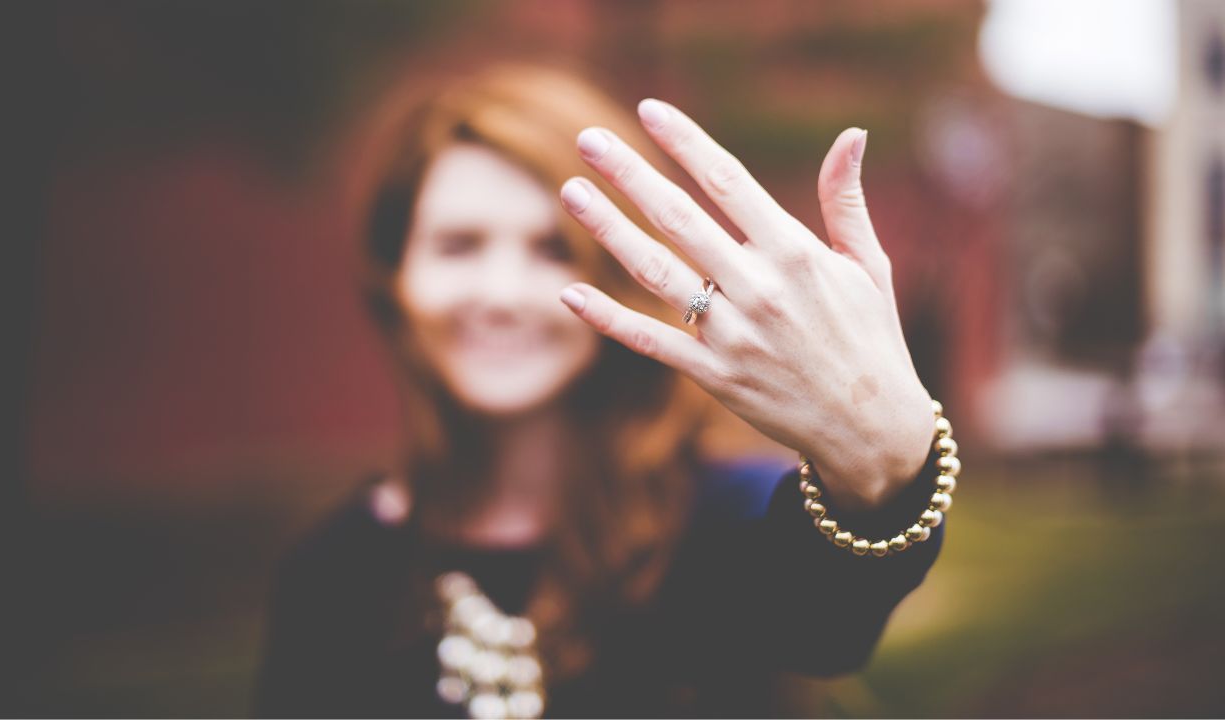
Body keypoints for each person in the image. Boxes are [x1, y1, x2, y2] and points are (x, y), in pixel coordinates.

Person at [254, 63, 959, 718]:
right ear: (395, 276)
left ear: (628, 273)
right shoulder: (331, 575)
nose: (501, 295)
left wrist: (885, 466)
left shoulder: (720, 524)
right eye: (459, 245)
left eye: (554, 246)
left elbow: (826, 619)